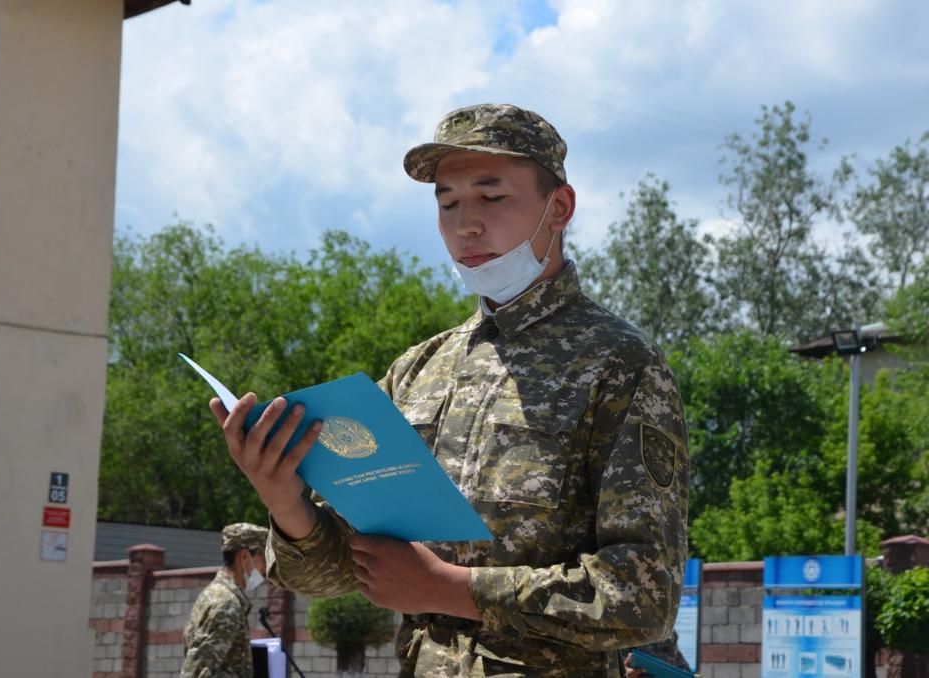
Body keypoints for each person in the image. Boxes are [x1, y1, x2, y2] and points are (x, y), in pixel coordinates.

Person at [210, 103, 689, 676]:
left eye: (492, 197)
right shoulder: (418, 370)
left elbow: (646, 598)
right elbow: (336, 575)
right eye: (448, 203)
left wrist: (451, 588)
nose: (466, 225)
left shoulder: (621, 363)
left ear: (559, 207)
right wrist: (285, 501)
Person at [181, 522, 269, 678]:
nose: (265, 567)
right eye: (264, 559)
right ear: (244, 556)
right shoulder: (227, 605)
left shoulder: (213, 594)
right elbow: (198, 672)